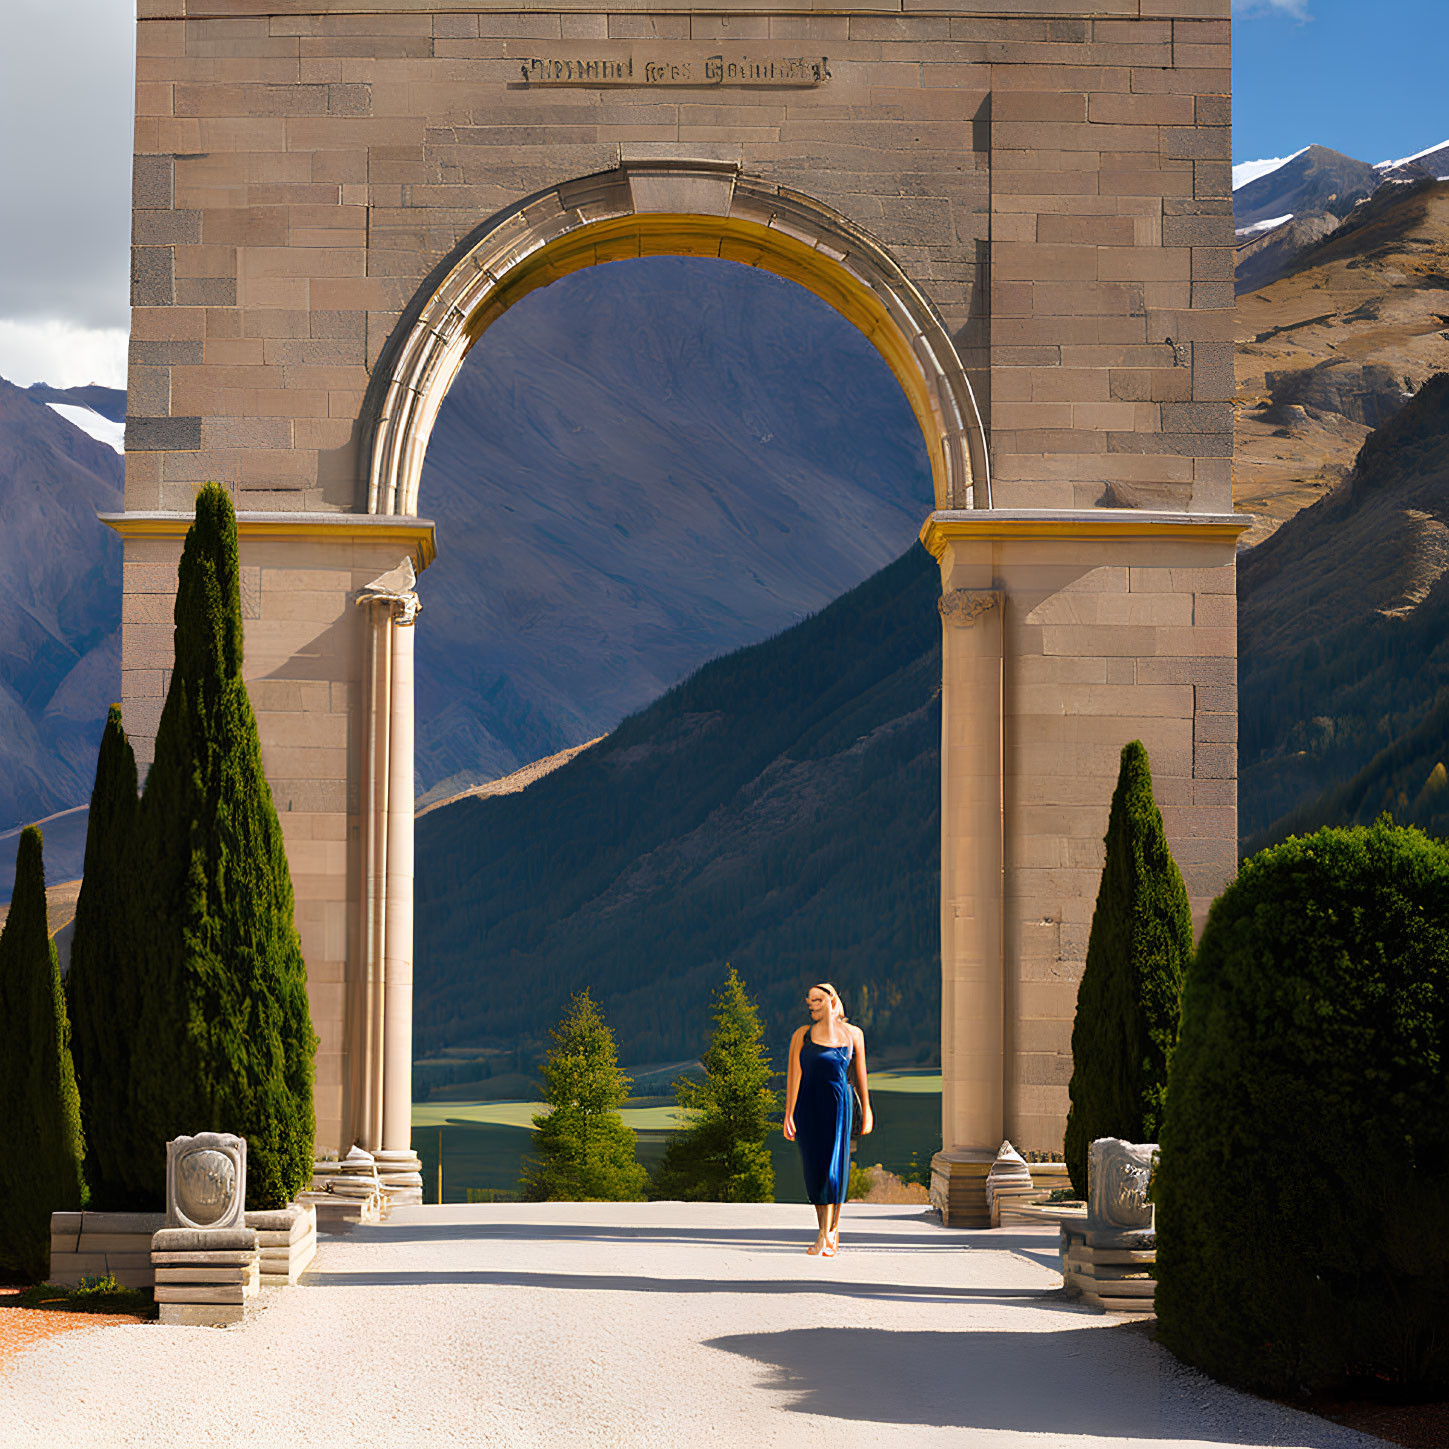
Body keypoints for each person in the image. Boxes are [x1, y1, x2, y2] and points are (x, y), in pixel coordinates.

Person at [783, 981, 872, 1256]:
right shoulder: (802, 1035)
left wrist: (867, 1110)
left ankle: (831, 1233)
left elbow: (860, 1077)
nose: (811, 1004)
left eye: (817, 1000)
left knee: (835, 1167)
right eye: (809, 1000)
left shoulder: (853, 1034)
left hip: (839, 1105)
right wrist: (788, 1113)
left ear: (832, 1001)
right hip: (808, 1106)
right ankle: (822, 1232)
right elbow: (794, 1076)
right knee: (814, 1167)